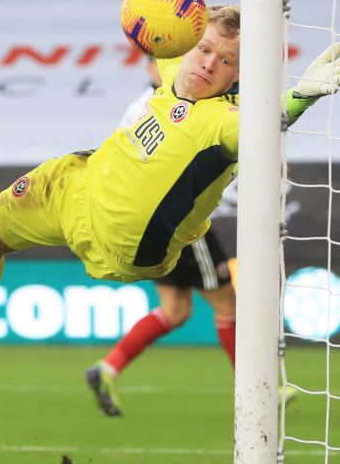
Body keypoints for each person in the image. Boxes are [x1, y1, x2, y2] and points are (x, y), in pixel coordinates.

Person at [0, 0, 340, 373]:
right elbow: (164, 20)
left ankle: (261, 386)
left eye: (226, 62)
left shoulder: (223, 123)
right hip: (75, 189)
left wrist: (300, 97)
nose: (208, 64)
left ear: (237, 78)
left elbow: (265, 125)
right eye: (204, 49)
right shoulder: (177, 60)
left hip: (127, 248)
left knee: (200, 302)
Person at [83, 58, 237, 416]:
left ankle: (108, 368)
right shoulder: (168, 106)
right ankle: (262, 390)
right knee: (227, 304)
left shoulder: (145, 105)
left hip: (149, 222)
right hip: (180, 219)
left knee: (176, 309)